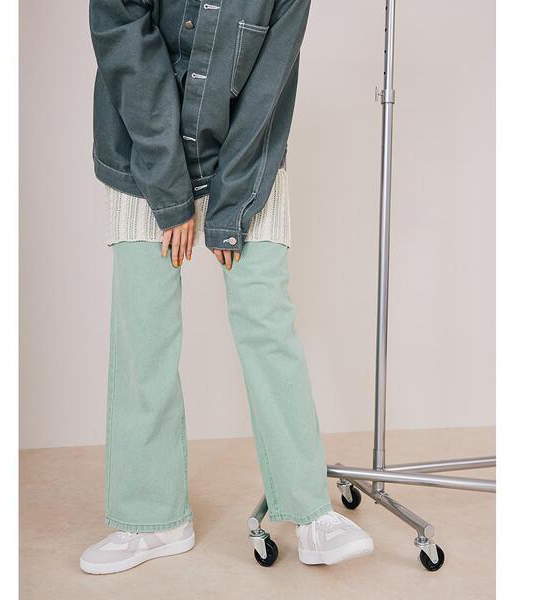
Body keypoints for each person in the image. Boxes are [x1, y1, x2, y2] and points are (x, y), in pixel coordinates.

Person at [80, 0, 373, 574]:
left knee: (267, 323)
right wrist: (170, 195)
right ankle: (153, 521)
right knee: (144, 335)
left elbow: (268, 90)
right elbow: (127, 51)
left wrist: (230, 210)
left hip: (246, 161)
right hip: (144, 155)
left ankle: (311, 513)